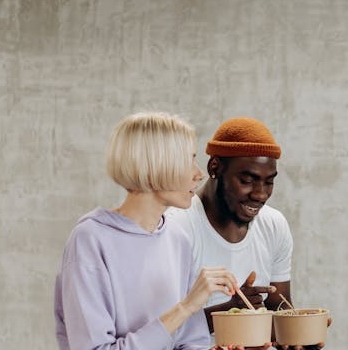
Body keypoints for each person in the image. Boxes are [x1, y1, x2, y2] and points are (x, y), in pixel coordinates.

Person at [54, 112, 242, 350]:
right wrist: (185, 307)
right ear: (156, 165)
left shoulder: (177, 239)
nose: (199, 173)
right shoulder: (90, 240)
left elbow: (191, 342)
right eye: (189, 160)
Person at [166, 117, 329, 350]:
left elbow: (278, 309)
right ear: (215, 168)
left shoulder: (274, 224)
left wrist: (298, 336)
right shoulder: (175, 226)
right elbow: (161, 329)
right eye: (247, 180)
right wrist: (229, 310)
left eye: (269, 182)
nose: (260, 194)